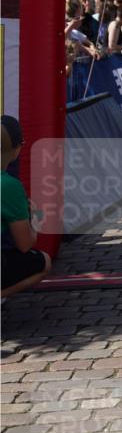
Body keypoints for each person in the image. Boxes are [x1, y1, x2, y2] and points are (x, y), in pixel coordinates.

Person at [1, 116, 52, 298]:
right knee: (44, 262)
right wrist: (36, 218)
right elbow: (25, 244)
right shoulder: (9, 186)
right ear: (17, 149)